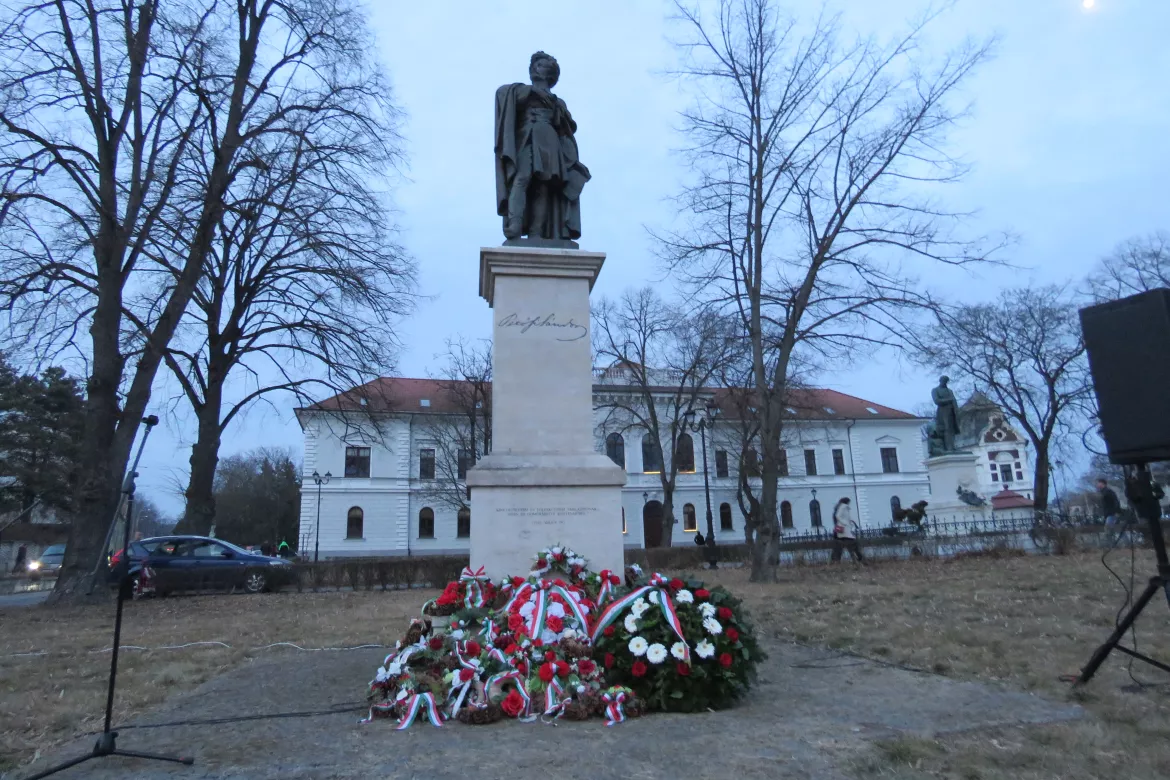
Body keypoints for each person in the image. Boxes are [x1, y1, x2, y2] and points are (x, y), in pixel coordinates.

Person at [495, 51, 591, 241]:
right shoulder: (520, 91)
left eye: (541, 65)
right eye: (536, 65)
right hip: (526, 138)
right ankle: (514, 224)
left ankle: (536, 232)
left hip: (549, 140)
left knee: (543, 186)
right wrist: (531, 91)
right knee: (522, 178)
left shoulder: (557, 101)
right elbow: (503, 95)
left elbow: (567, 128)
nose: (536, 68)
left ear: (551, 74)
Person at [831, 497, 864, 563]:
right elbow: (839, 516)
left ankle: (835, 560)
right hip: (844, 530)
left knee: (838, 547)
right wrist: (846, 523)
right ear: (847, 502)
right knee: (853, 544)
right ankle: (859, 558)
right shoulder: (844, 507)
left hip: (839, 531)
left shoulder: (838, 508)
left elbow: (838, 518)